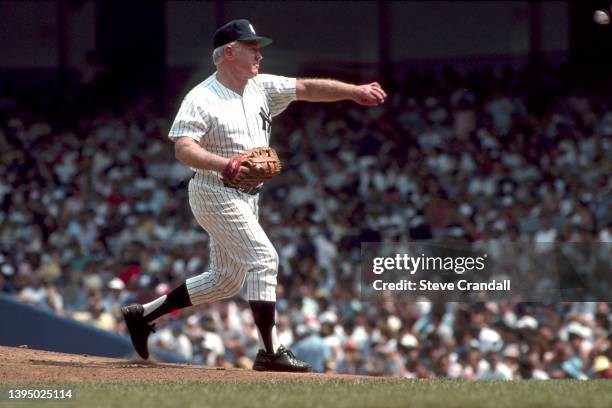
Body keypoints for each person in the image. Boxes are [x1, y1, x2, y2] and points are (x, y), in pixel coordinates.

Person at [121, 18, 386, 372]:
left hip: (248, 196)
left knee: (225, 280)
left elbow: (306, 88)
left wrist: (353, 91)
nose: (259, 55)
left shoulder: (261, 86)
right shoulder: (201, 97)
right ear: (229, 53)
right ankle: (270, 351)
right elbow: (183, 149)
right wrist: (224, 164)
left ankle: (144, 316)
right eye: (252, 48)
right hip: (214, 190)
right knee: (264, 259)